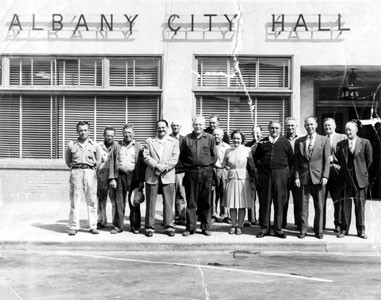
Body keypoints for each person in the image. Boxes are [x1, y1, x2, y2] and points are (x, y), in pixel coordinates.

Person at [254, 121, 294, 238]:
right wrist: (262, 168)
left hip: (280, 175)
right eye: (272, 128)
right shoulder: (262, 142)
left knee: (279, 202)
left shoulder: (285, 142)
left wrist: (286, 174)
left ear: (280, 130)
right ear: (268, 129)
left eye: (276, 128)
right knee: (265, 201)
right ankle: (265, 228)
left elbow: (291, 159)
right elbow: (256, 157)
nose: (274, 130)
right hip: (265, 175)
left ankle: (278, 229)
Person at [180, 115, 217, 236]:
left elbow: (214, 156)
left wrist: (207, 166)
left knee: (205, 201)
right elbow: (183, 156)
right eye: (196, 124)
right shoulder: (187, 139)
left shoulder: (210, 138)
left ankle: (206, 227)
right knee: (191, 201)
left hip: (206, 172)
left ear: (203, 125)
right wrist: (190, 166)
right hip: (191, 173)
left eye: (200, 124)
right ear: (193, 125)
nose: (198, 126)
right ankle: (190, 227)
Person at [294, 116, 330, 239]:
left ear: (316, 125)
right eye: (307, 125)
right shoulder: (299, 141)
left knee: (319, 206)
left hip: (319, 178)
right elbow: (297, 162)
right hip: (304, 177)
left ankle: (318, 231)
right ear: (305, 126)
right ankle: (303, 230)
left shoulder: (324, 140)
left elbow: (326, 161)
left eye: (312, 124)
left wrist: (325, 175)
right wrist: (297, 177)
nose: (310, 127)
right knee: (303, 206)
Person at [336, 121, 373, 239]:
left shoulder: (365, 142)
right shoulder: (340, 144)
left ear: (356, 130)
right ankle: (344, 229)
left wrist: (361, 171)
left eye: (350, 130)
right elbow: (339, 159)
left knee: (360, 205)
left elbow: (369, 160)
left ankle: (361, 230)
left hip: (359, 178)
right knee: (345, 205)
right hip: (346, 177)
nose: (348, 132)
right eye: (346, 130)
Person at [143, 119, 180, 237]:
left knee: (168, 202)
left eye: (163, 127)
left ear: (167, 128)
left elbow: (175, 158)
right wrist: (157, 166)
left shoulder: (174, 142)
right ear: (156, 128)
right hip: (152, 175)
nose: (161, 129)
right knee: (151, 202)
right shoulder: (149, 141)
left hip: (167, 175)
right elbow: (146, 156)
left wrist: (164, 167)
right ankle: (149, 227)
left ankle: (169, 226)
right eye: (159, 127)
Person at [65, 121, 101, 236]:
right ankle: (73, 226)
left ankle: (93, 226)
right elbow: (67, 160)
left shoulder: (95, 145)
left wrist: (92, 169)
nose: (83, 132)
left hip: (90, 172)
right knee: (75, 200)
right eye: (80, 130)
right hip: (76, 172)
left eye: (85, 130)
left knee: (92, 200)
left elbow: (99, 161)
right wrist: (75, 169)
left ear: (89, 131)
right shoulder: (71, 145)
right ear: (77, 131)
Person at [109, 124, 145, 234]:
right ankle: (118, 226)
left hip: (134, 176)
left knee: (134, 202)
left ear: (133, 134)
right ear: (122, 133)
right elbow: (111, 161)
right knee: (119, 202)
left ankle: (135, 226)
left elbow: (142, 164)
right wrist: (112, 178)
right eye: (125, 132)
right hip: (120, 176)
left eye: (129, 132)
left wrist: (141, 181)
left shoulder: (139, 146)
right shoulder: (116, 146)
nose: (127, 134)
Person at [222, 130, 254, 235]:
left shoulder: (247, 150)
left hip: (243, 180)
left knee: (241, 204)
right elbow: (223, 164)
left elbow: (252, 165)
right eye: (234, 138)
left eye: (238, 138)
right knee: (232, 204)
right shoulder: (228, 151)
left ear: (242, 140)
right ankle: (233, 225)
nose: (236, 140)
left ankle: (239, 226)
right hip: (231, 179)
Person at [323, 117, 346, 232]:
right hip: (323, 174)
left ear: (335, 126)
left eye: (329, 125)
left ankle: (338, 224)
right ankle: (320, 225)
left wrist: (335, 159)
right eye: (325, 125)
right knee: (321, 200)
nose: (327, 127)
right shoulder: (321, 138)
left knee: (337, 201)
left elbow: (347, 155)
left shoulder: (342, 137)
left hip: (337, 174)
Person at [96, 127, 116, 229]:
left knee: (114, 200)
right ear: (104, 135)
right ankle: (101, 220)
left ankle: (115, 222)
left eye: (112, 136)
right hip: (101, 176)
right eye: (108, 135)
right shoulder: (98, 146)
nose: (109, 137)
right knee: (101, 199)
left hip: (113, 177)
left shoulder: (117, 146)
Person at [244, 125, 262, 226]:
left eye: (258, 132)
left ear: (261, 133)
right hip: (250, 174)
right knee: (251, 197)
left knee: (262, 197)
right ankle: (252, 219)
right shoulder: (248, 145)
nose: (256, 134)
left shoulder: (264, 143)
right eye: (254, 132)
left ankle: (262, 218)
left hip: (262, 174)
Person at [170, 120, 187, 226]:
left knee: (181, 194)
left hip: (181, 171)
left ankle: (181, 217)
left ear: (180, 127)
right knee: (169, 195)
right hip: (169, 171)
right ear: (171, 127)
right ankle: (169, 218)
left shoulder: (184, 139)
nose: (175, 127)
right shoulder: (167, 139)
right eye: (173, 126)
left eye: (177, 125)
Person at [212, 127, 230, 223]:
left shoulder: (227, 147)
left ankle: (225, 215)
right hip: (212, 170)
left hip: (223, 170)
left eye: (218, 134)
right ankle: (213, 214)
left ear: (222, 136)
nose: (216, 136)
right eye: (214, 134)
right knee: (213, 193)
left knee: (224, 192)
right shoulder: (210, 145)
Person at [284, 117, 299, 229]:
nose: (290, 127)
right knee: (283, 198)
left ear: (296, 127)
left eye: (292, 125)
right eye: (288, 125)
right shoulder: (281, 140)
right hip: (284, 172)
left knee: (298, 199)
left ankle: (299, 223)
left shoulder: (300, 140)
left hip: (297, 172)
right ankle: (282, 222)